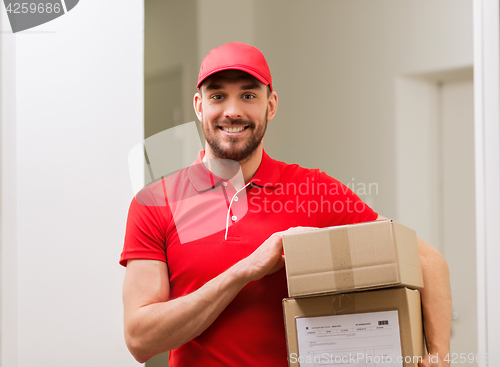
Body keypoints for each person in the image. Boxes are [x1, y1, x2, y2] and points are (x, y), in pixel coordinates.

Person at [120, 42, 451, 367]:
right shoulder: (156, 203)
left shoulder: (313, 189)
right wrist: (244, 271)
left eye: (248, 95)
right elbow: (140, 340)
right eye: (218, 96)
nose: (232, 110)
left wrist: (438, 355)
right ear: (199, 105)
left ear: (271, 105)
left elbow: (426, 259)